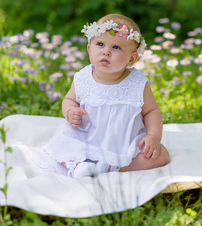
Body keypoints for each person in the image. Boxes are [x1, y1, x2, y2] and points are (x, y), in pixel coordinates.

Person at [44, 14, 169, 178]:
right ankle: (79, 164)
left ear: (131, 59)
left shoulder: (137, 82)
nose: (106, 52)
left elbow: (151, 111)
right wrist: (70, 111)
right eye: (100, 44)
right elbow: (69, 100)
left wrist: (153, 136)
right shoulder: (83, 78)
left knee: (160, 155)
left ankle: (113, 167)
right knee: (61, 143)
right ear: (89, 49)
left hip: (124, 142)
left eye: (116, 47)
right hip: (87, 138)